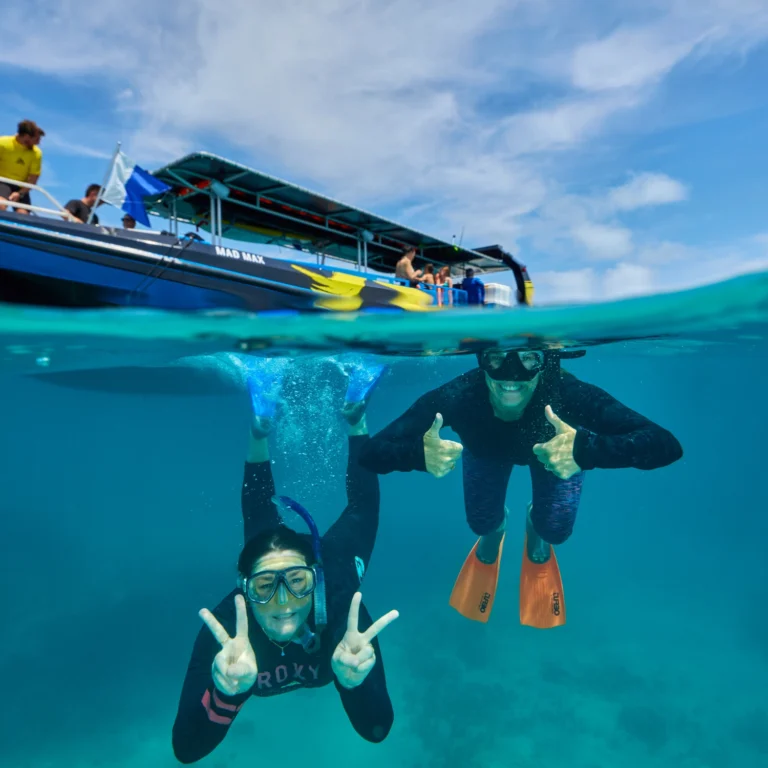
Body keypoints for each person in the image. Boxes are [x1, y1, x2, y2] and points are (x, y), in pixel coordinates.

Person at [172, 359, 398, 764]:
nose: (284, 601)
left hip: (335, 562)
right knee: (259, 522)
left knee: (359, 513)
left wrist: (354, 682)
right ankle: (260, 424)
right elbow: (186, 749)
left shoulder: (346, 612)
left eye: (297, 581)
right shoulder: (226, 631)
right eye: (264, 586)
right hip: (270, 560)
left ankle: (355, 414)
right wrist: (227, 692)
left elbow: (376, 729)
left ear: (315, 577)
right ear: (243, 586)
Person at [358, 347, 683, 628]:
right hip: (486, 452)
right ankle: (495, 530)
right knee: (482, 523)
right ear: (482, 358)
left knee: (554, 530)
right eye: (497, 358)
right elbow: (371, 454)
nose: (510, 375)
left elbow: (665, 444)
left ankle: (535, 525)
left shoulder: (568, 393)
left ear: (545, 361)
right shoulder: (458, 396)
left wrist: (585, 450)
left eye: (528, 358)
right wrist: (415, 454)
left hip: (557, 454)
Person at [0, 120, 45, 214]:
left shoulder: (36, 153)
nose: (38, 143)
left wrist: (20, 193)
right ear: (27, 137)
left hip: (22, 187)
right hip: (2, 181)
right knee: (1, 205)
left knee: (23, 215)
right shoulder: (2, 143)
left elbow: (33, 180)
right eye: (36, 140)